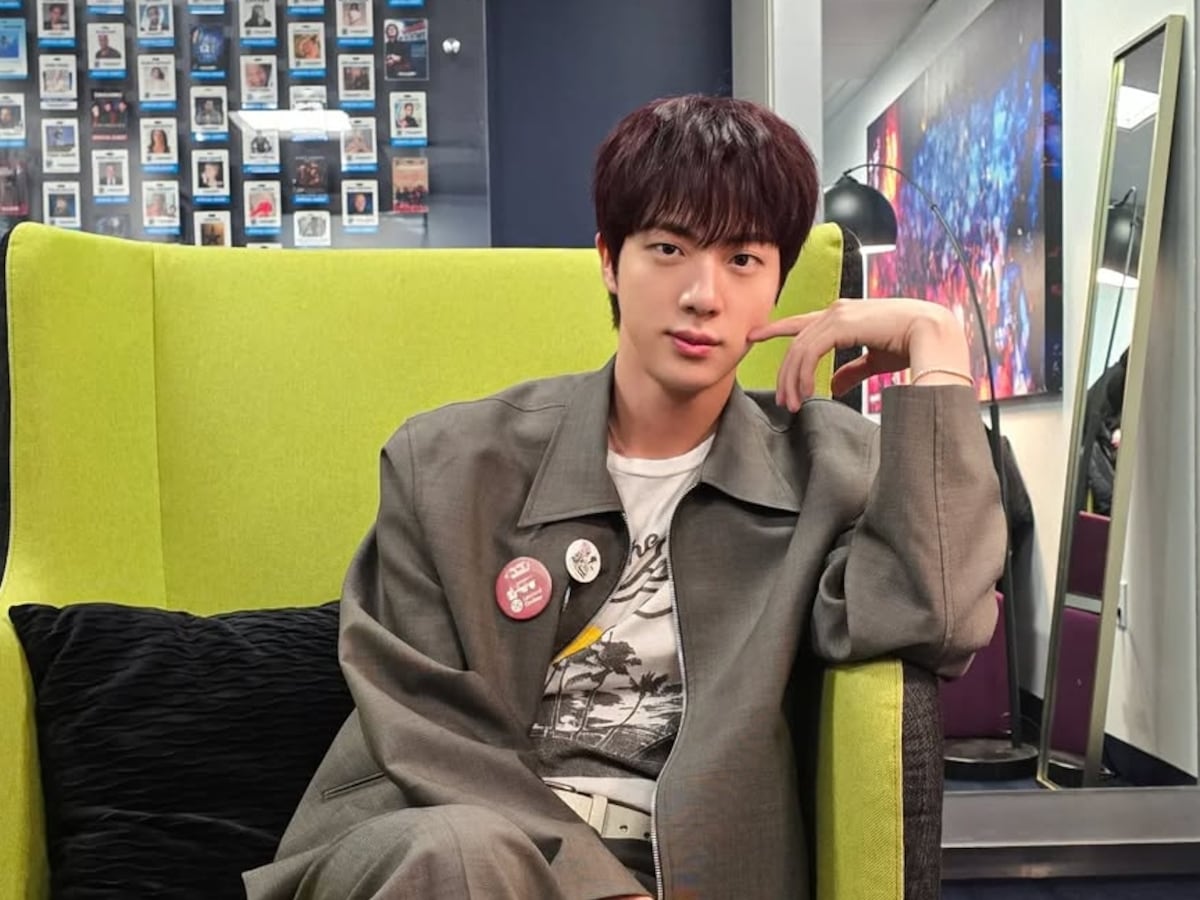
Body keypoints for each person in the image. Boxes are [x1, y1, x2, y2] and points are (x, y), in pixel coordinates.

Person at [242, 94, 1004, 899]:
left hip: (687, 867)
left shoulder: (827, 470)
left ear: (779, 281)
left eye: (743, 260)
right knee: (464, 854)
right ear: (609, 259)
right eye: (669, 248)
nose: (703, 294)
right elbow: (424, 722)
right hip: (436, 849)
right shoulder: (447, 464)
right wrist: (596, 887)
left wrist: (937, 344)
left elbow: (938, 617)